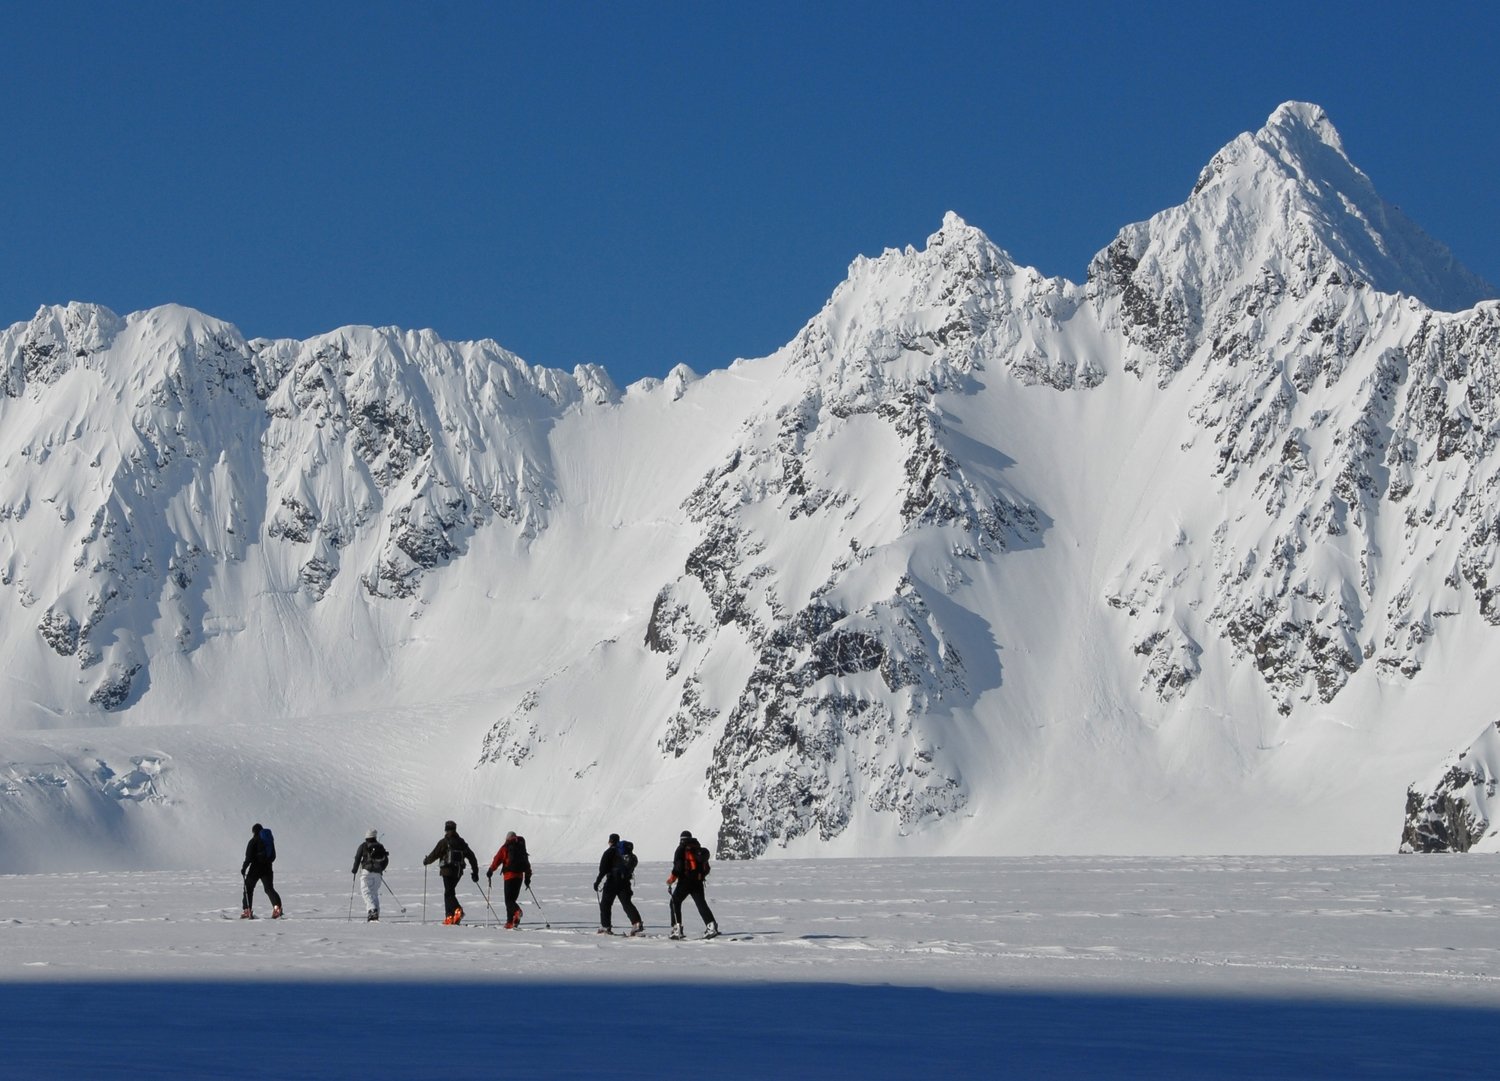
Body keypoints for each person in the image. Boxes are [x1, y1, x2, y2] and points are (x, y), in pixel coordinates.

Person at [422, 820, 478, 925]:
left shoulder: (444, 842)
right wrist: (475, 872)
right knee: (449, 892)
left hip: (447, 871)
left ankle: (456, 911)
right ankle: (451, 916)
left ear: (446, 829)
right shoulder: (461, 842)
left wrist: (426, 861)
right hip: (458, 872)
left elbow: (434, 854)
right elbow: (472, 856)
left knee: (448, 893)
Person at [667, 829, 717, 940]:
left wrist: (672, 879)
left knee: (674, 902)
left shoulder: (681, 849)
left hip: (685, 881)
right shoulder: (697, 848)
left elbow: (678, 867)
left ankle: (677, 928)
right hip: (698, 881)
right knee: (701, 904)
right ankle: (711, 925)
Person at [593, 832, 644, 935]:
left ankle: (605, 926)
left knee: (606, 904)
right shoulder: (625, 853)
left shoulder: (609, 852)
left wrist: (597, 882)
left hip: (612, 881)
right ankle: (637, 923)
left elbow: (603, 869)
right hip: (625, 882)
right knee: (627, 903)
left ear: (610, 841)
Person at [486, 830, 532, 929]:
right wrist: (527, 878)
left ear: (507, 838)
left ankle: (517, 912)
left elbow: (497, 860)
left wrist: (491, 870)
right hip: (519, 877)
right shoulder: (521, 848)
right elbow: (527, 865)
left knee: (508, 901)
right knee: (512, 900)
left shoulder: (505, 847)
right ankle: (510, 921)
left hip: (509, 877)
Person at [240, 822, 283, 919]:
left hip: (255, 868)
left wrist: (244, 868)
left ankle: (247, 910)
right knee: (269, 889)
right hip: (267, 868)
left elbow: (249, 857)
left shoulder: (253, 841)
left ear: (254, 831)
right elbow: (273, 856)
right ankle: (277, 908)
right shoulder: (269, 841)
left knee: (248, 888)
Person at [351, 828, 390, 922]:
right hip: (378, 874)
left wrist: (354, 870)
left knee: (366, 892)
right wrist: (380, 869)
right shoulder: (380, 846)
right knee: (374, 893)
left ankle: (372, 911)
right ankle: (376, 915)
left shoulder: (363, 846)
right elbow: (386, 860)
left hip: (366, 872)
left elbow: (357, 858)